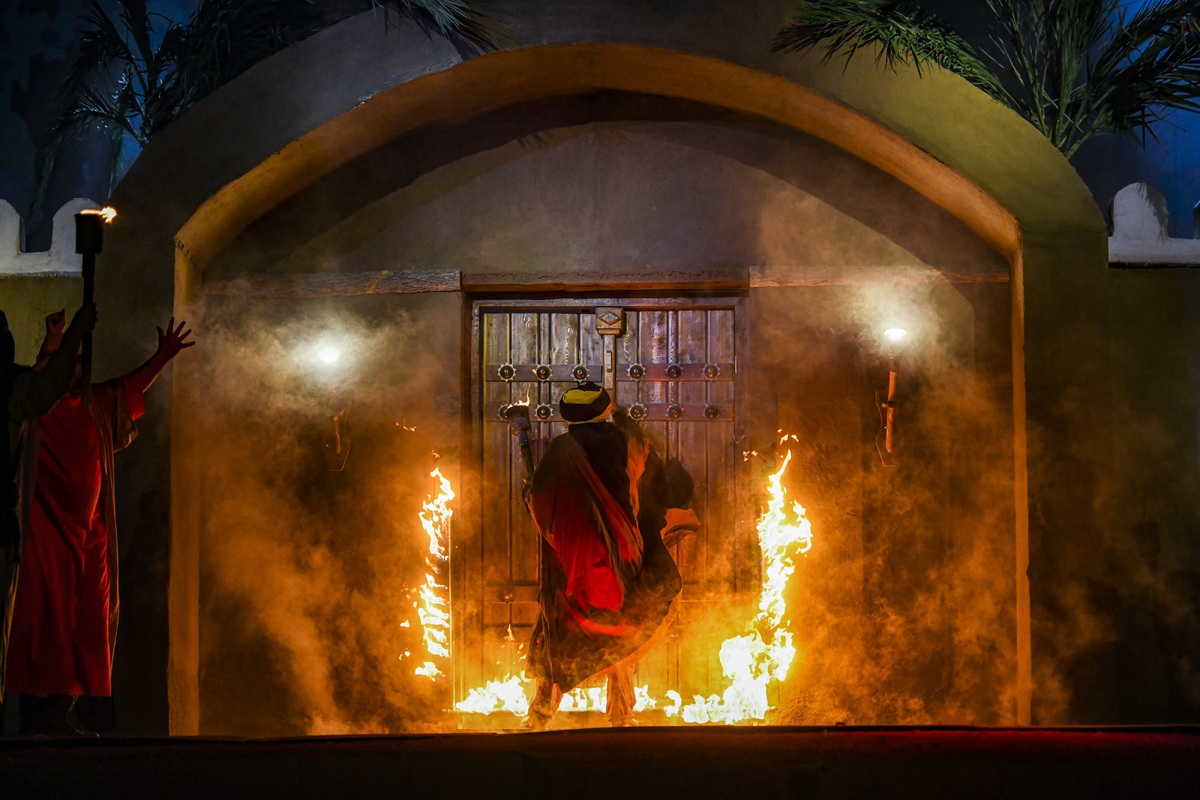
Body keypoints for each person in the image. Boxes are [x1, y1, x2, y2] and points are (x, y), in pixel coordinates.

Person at [4, 311, 194, 735]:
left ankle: (76, 706)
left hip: (89, 537)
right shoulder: (37, 407)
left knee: (87, 624)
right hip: (45, 535)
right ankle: (41, 713)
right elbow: (40, 380)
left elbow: (130, 388)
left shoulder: (96, 404)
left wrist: (162, 357)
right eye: (67, 362)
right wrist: (57, 340)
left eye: (78, 362)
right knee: (45, 624)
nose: (73, 371)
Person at [522, 381, 698, 728]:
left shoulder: (560, 450)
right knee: (624, 626)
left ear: (569, 418)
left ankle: (539, 714)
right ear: (604, 412)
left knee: (560, 630)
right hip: (627, 552)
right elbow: (660, 491)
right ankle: (621, 714)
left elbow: (542, 503)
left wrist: (531, 495)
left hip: (575, 561)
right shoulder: (633, 444)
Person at [1, 305, 97, 732]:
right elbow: (42, 388)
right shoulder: (12, 389)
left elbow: (40, 382)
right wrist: (72, 335)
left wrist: (59, 342)